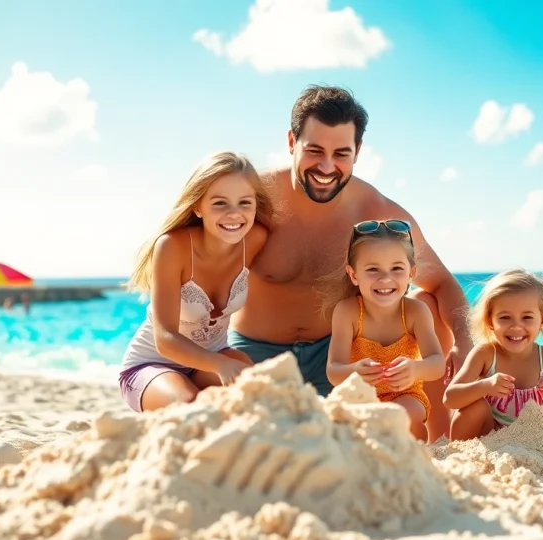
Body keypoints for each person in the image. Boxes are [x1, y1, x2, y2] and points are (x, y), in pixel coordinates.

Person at [228, 84, 473, 441]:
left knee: (426, 304)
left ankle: (440, 441)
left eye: (341, 153)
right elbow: (198, 262)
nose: (327, 166)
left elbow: (443, 285)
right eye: (314, 150)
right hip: (256, 352)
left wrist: (463, 344)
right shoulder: (254, 197)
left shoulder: (378, 214)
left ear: (357, 151)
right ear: (291, 142)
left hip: (341, 358)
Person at [120, 151, 275, 412]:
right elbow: (165, 338)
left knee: (255, 394)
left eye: (245, 203)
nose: (235, 214)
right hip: (153, 365)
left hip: (213, 359)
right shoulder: (172, 247)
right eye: (220, 203)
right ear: (197, 207)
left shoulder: (256, 239)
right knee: (189, 405)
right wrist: (219, 364)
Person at [325, 219, 446, 441]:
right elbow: (334, 371)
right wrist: (354, 372)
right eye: (372, 269)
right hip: (361, 398)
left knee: (402, 414)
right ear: (353, 275)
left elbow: (437, 364)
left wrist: (415, 369)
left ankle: (415, 457)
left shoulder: (415, 311)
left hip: (406, 395)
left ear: (411, 272)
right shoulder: (347, 312)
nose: (385, 278)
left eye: (397, 268)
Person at [443, 269, 543, 440]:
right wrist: (485, 386)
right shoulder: (485, 354)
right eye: (505, 317)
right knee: (474, 407)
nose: (516, 327)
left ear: (542, 321)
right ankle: (459, 454)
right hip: (491, 438)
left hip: (536, 442)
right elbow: (450, 398)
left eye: (527, 317)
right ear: (490, 321)